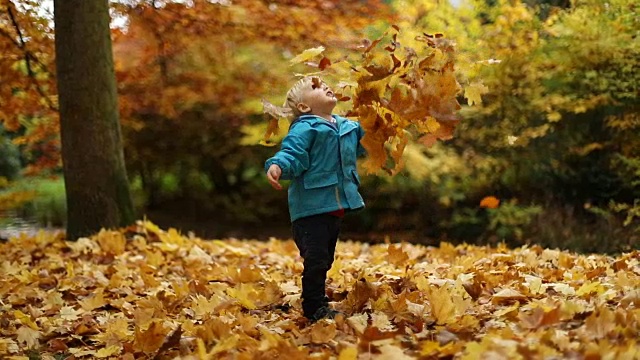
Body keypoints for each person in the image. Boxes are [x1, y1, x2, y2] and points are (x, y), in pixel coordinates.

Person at [265, 76, 366, 322]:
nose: (326, 86)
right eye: (317, 87)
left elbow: (366, 146)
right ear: (303, 107)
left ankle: (315, 297)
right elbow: (292, 152)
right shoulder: (305, 127)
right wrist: (278, 165)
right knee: (317, 259)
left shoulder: (347, 126)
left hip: (333, 206)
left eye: (325, 85)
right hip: (310, 209)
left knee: (325, 258)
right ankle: (314, 306)